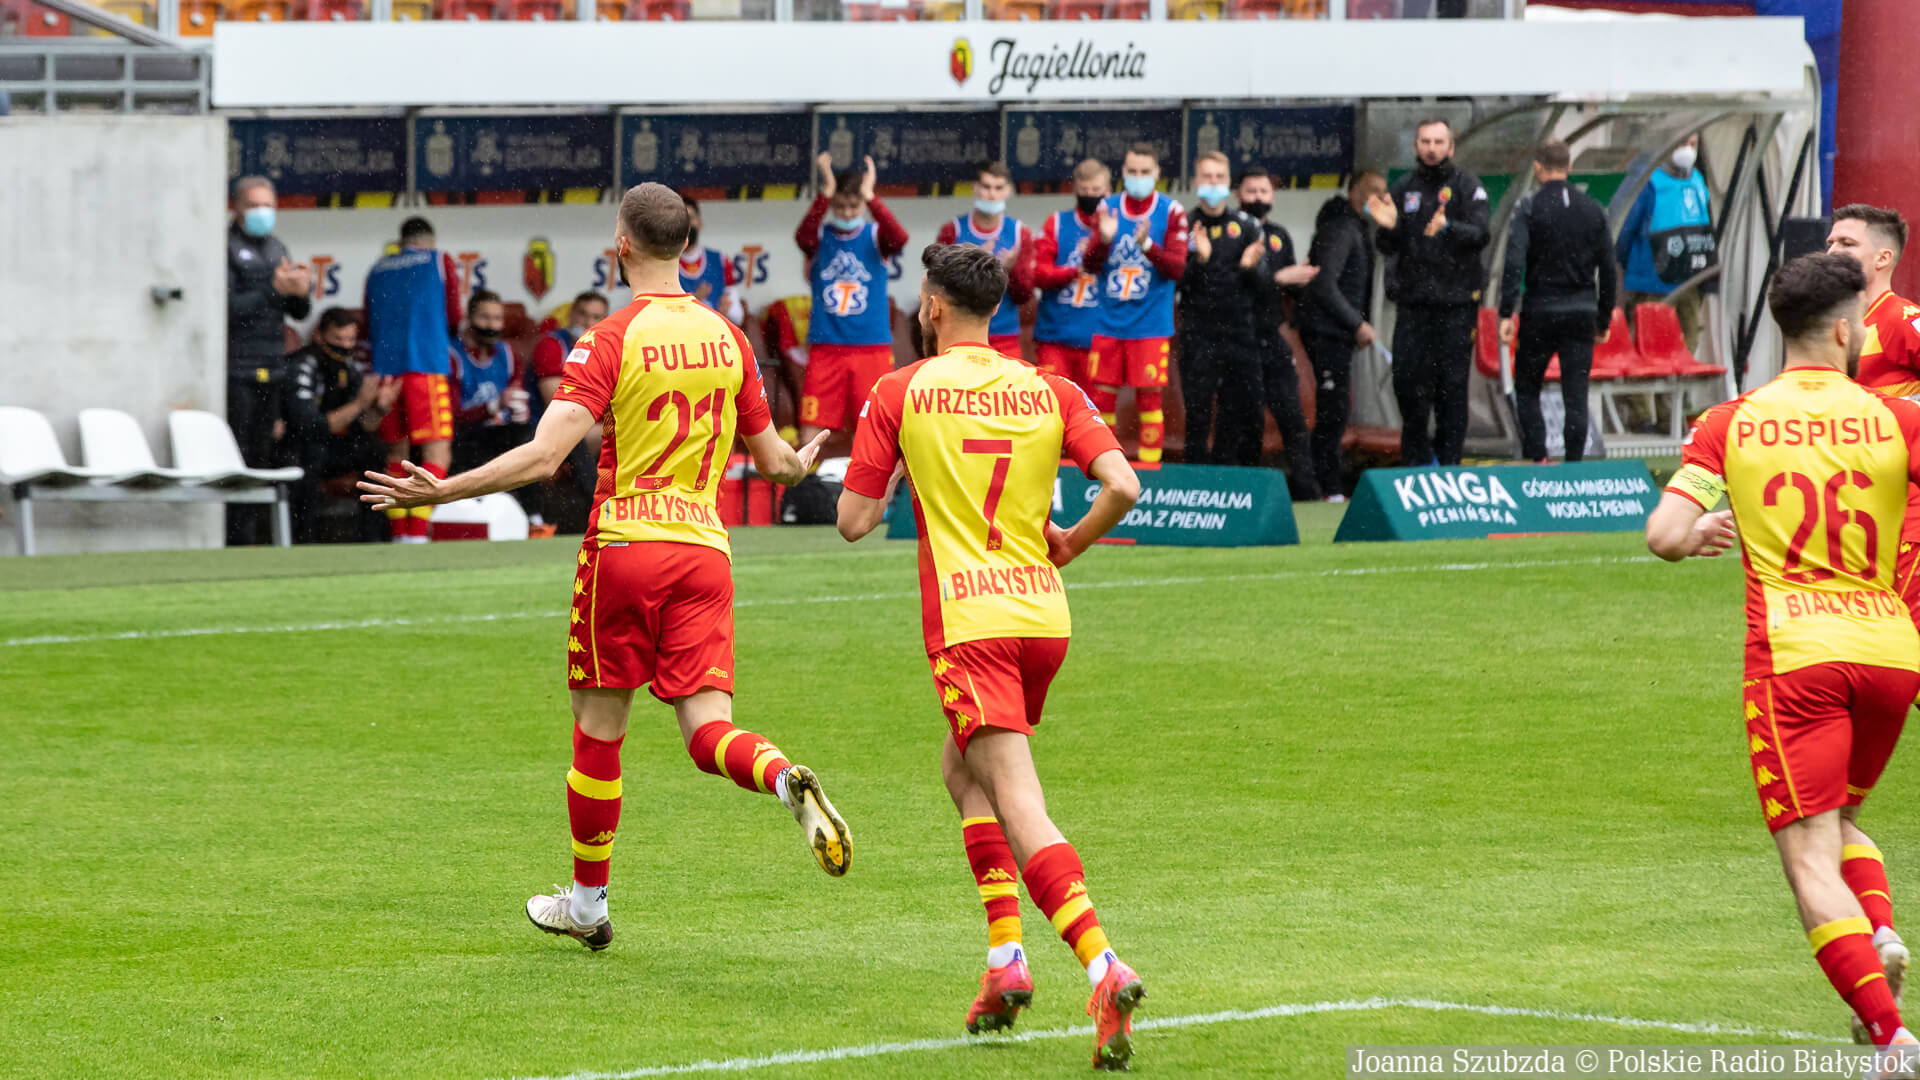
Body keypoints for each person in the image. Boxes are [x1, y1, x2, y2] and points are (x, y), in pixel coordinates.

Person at [359, 183, 850, 952]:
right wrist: (803, 461)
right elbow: (776, 462)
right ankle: (781, 774)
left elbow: (545, 455)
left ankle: (588, 903)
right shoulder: (729, 339)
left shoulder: (609, 338)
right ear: (686, 245)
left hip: (625, 547)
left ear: (621, 244)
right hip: (705, 551)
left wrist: (444, 488)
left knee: (598, 729)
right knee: (708, 730)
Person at [834, 243, 1147, 1069]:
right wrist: (1069, 543)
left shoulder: (901, 390)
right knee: (961, 769)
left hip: (970, 620)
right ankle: (1006, 959)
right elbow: (1124, 485)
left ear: (934, 307)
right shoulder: (1050, 387)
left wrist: (899, 468)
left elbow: (854, 521)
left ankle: (1104, 966)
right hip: (1042, 615)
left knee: (1016, 796)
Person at [1646, 252, 1920, 1068]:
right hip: (1889, 652)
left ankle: (1891, 1039)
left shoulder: (1732, 421)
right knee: (1839, 820)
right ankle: (1878, 931)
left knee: (1806, 856)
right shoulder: (1895, 419)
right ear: (1843, 330)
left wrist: (1699, 531)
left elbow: (1664, 535)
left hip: (1796, 656)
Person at [1371, 118, 1491, 467]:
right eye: (1425, 142)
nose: (1431, 149)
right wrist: (1389, 228)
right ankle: (1418, 462)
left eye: (1438, 142)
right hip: (1413, 306)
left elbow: (1481, 234)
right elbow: (1387, 246)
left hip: (1455, 306)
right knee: (1407, 384)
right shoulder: (1402, 188)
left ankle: (1449, 464)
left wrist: (1447, 228)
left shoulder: (1467, 186)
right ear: (1416, 146)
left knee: (1451, 388)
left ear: (1450, 146)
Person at [1496, 140, 1618, 464]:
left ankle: (1539, 459)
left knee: (1527, 387)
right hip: (1581, 312)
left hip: (1540, 310)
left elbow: (1514, 261)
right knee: (1576, 393)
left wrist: (1506, 311)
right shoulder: (1592, 208)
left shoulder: (1528, 206)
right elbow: (1608, 268)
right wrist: (1603, 318)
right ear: (1569, 167)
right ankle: (1574, 466)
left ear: (1537, 167)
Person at [1081, 142, 1189, 464]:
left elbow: (1177, 268)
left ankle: (1149, 468)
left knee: (1150, 401)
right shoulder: (1107, 208)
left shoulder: (1172, 211)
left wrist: (1148, 246)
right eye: (1132, 171)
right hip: (1109, 323)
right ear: (1123, 173)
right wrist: (1103, 240)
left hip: (1150, 325)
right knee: (1101, 402)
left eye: (1144, 171)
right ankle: (1107, 467)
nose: (1138, 177)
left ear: (1157, 173)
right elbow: (1090, 265)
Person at [794, 152, 909, 446]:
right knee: (812, 427)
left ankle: (869, 479)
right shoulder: (820, 236)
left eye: (854, 206)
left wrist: (871, 197)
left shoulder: (875, 235)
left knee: (873, 427)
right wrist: (825, 193)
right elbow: (802, 237)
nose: (846, 213)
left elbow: (899, 238)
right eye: (840, 206)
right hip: (826, 347)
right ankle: (805, 478)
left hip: (870, 346)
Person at [364, 216, 462, 543]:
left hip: (386, 373)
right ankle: (417, 534)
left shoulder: (377, 268)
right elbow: (454, 316)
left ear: (401, 240)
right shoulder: (439, 260)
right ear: (428, 240)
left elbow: (367, 321)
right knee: (437, 454)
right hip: (426, 366)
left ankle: (399, 535)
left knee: (397, 454)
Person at [226, 175, 311, 546]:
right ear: (236, 207)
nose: (262, 212)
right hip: (237, 368)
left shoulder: (278, 248)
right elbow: (227, 308)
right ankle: (235, 539)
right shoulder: (226, 247)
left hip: (273, 366)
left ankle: (258, 538)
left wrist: (300, 292)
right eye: (254, 205)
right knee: (238, 455)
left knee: (265, 455)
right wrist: (271, 289)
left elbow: (299, 312)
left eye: (268, 205)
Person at [1296, 170, 1385, 500]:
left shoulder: (1357, 227)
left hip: (1336, 333)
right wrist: (1356, 324)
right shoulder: (1342, 227)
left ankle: (1327, 484)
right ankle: (1327, 487)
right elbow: (1324, 283)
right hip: (1326, 332)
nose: (1379, 198)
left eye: (1383, 192)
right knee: (1332, 411)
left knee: (1335, 410)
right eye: (1372, 190)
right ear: (1354, 191)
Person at [1176, 151, 1266, 467]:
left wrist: (1249, 268)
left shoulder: (1247, 226)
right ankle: (1196, 481)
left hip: (1240, 335)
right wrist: (1200, 260)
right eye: (1207, 177)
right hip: (1198, 335)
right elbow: (1173, 282)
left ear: (1229, 183)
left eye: (1219, 177)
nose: (1213, 183)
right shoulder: (1182, 226)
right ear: (1195, 181)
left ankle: (1235, 482)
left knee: (1242, 413)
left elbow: (1266, 286)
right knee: (1198, 414)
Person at [1238, 164, 1323, 494]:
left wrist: (1300, 280)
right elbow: (1233, 287)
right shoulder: (1231, 232)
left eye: (1263, 191)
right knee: (1247, 423)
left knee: (1292, 417)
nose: (1258, 198)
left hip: (1272, 338)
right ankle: (1247, 492)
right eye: (1251, 191)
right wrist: (1277, 279)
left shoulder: (1279, 236)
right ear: (1239, 195)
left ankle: (1307, 492)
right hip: (1239, 339)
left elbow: (1287, 289)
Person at [279, 307, 398, 543]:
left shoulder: (349, 369)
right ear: (319, 336)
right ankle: (303, 542)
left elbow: (364, 427)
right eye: (338, 339)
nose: (344, 346)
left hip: (331, 448)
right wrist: (359, 404)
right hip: (297, 447)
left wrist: (378, 409)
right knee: (309, 455)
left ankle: (372, 539)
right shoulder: (303, 365)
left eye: (350, 340)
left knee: (374, 451)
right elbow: (311, 427)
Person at [1617, 133, 1715, 353]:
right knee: (1650, 350)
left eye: (1693, 144)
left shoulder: (1697, 180)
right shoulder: (1647, 181)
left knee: (1687, 348)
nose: (1688, 150)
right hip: (1652, 284)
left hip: (1689, 283)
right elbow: (1624, 231)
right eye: (1682, 143)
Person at [936, 161, 1034, 362]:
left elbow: (1024, 295)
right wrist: (974, 264)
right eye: (986, 187)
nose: (992, 194)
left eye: (998, 188)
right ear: (975, 188)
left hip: (1004, 336)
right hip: (961, 336)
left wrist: (1011, 270)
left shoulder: (1019, 233)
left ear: (1008, 190)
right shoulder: (953, 230)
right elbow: (939, 287)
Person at [1030, 159, 1110, 391]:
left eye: (1096, 190)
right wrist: (1073, 271)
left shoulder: (1118, 227)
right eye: (1084, 190)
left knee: (1094, 408)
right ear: (1075, 189)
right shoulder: (1057, 223)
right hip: (1055, 337)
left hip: (1100, 338)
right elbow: (1038, 275)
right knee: (1053, 404)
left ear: (1108, 191)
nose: (1090, 195)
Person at [448, 289, 532, 477]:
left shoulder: (508, 353)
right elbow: (452, 419)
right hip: (464, 438)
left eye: (497, 319)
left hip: (501, 433)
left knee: (529, 437)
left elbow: (518, 394)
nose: (491, 325)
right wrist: (493, 406)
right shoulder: (452, 356)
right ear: (469, 318)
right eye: (484, 317)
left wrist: (520, 410)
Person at [677, 194, 744, 325]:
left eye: (690, 218)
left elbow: (738, 316)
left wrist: (726, 312)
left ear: (700, 224)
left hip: (714, 335)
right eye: (681, 220)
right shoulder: (664, 263)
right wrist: (695, 301)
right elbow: (661, 318)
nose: (687, 225)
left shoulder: (721, 261)